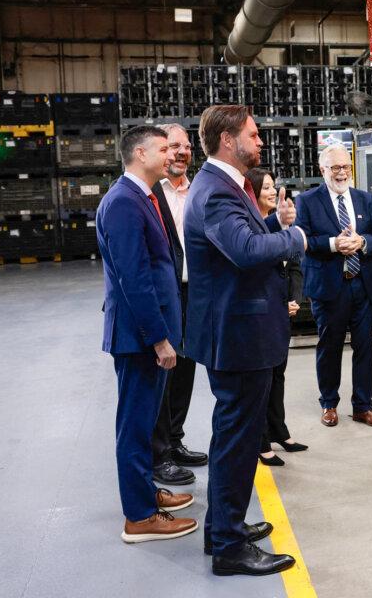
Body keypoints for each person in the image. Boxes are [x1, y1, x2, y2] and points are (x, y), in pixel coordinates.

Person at [183, 105, 307, 576]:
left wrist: (274, 225)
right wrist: (294, 238)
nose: (259, 143)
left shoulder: (225, 188)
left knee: (234, 436)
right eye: (253, 136)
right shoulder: (216, 192)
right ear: (229, 140)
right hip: (237, 336)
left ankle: (223, 527)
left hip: (240, 332)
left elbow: (246, 240)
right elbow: (244, 251)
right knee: (237, 439)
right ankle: (230, 548)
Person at [95, 125, 197, 544]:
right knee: (135, 427)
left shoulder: (143, 196)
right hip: (139, 337)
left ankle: (145, 494)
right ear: (140, 153)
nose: (172, 152)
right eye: (163, 147)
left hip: (148, 333)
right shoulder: (123, 201)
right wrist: (158, 338)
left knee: (143, 421)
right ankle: (138, 517)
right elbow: (133, 279)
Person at [295, 144, 372, 428]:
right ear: (322, 169)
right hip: (329, 286)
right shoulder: (308, 201)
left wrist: (363, 242)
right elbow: (303, 241)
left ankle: (363, 405)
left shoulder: (366, 200)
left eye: (345, 166)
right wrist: (334, 244)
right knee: (330, 346)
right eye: (335, 167)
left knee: (365, 347)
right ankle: (329, 403)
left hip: (362, 284)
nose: (341, 173)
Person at [150, 123, 207, 488]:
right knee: (161, 374)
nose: (181, 152)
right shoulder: (150, 192)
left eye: (186, 146)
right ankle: (158, 455)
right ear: (160, 151)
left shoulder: (198, 190)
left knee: (185, 370)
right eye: (173, 146)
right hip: (163, 296)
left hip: (193, 293)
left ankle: (175, 439)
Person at [246, 167, 309, 466]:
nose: (272, 192)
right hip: (265, 314)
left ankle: (279, 431)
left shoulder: (280, 225)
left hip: (283, 311)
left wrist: (293, 298)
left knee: (278, 375)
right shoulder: (253, 228)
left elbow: (294, 265)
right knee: (263, 380)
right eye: (267, 187)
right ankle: (260, 441)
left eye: (274, 186)